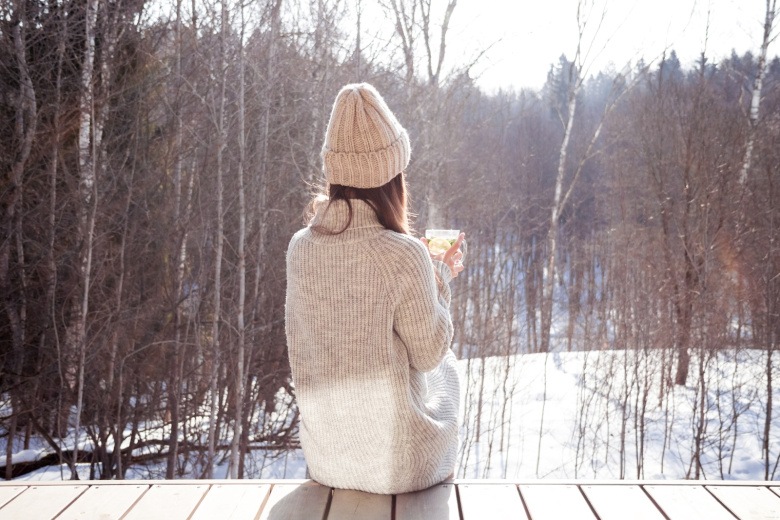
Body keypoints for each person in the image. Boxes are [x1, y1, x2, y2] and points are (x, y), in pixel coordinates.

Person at [284, 83, 464, 495]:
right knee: (448, 370)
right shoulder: (403, 255)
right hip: (396, 468)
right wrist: (437, 274)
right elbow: (429, 352)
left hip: (327, 462)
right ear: (392, 178)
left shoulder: (299, 248)